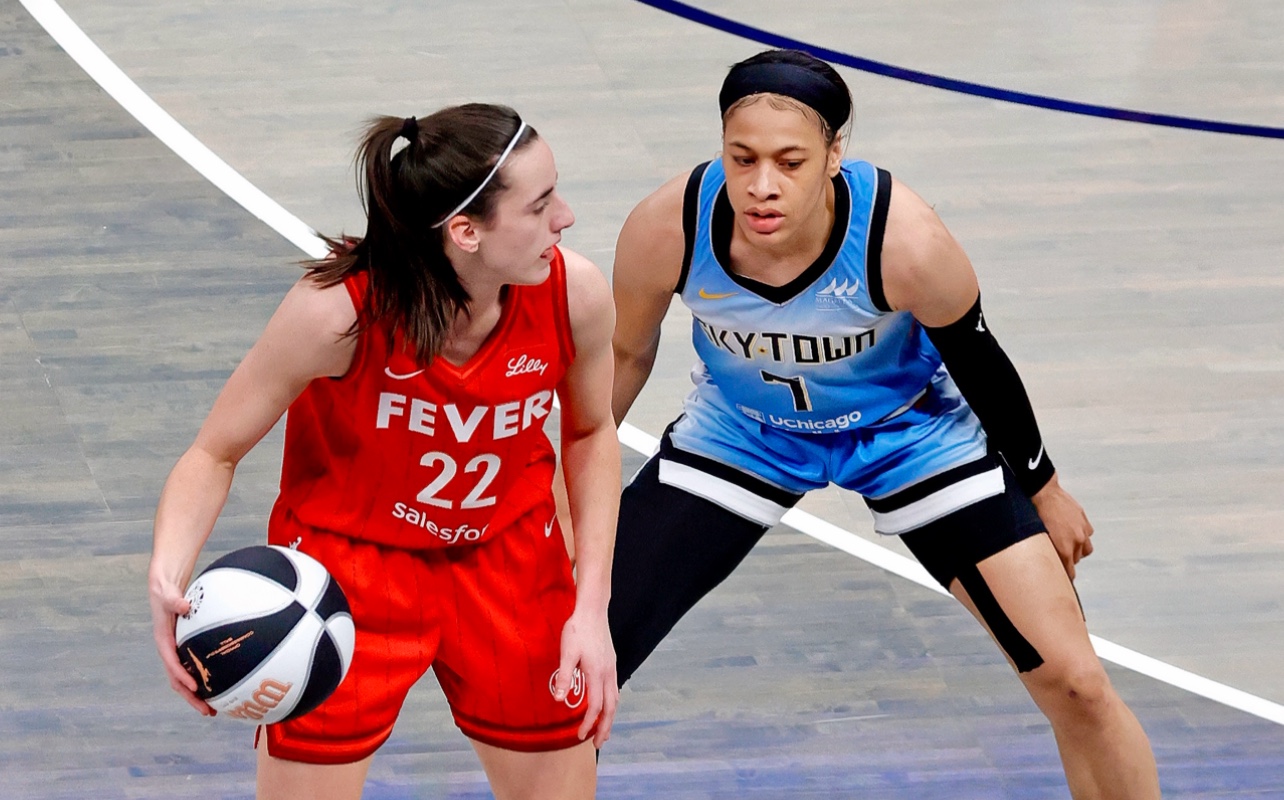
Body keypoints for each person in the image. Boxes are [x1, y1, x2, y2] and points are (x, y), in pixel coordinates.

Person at [606, 49, 1161, 798]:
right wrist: (553, 485)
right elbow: (624, 354)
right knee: (574, 670)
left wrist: (1045, 489)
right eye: (742, 159)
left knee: (1076, 684)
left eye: (790, 162)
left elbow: (980, 362)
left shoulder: (906, 241)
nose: (762, 185)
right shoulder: (668, 226)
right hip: (745, 432)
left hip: (909, 434)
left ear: (835, 155)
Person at [148, 104, 620, 800]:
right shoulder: (336, 314)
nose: (567, 217)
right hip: (349, 572)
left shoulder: (573, 293)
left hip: (510, 560)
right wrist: (167, 575)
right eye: (541, 204)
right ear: (465, 231)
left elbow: (590, 433)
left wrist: (591, 607)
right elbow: (213, 452)